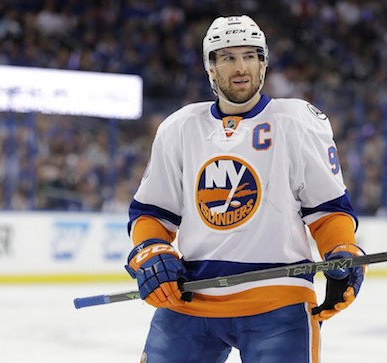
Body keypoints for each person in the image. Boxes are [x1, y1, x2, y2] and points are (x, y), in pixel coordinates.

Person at [125, 15, 365, 363]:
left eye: (250, 56)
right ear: (210, 67)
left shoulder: (296, 122)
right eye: (228, 57)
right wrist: (152, 252)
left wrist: (341, 249)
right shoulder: (179, 128)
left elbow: (328, 210)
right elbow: (152, 213)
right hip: (192, 298)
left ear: (263, 63)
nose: (241, 67)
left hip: (278, 301)